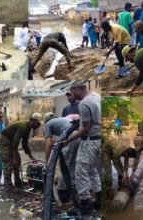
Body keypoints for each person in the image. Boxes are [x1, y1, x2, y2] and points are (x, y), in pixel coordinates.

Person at [60, 81, 101, 215]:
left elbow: (85, 129)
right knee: (92, 170)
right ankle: (99, 199)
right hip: (99, 140)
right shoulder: (96, 96)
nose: (72, 95)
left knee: (80, 171)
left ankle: (85, 204)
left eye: (72, 92)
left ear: (77, 90)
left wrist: (68, 140)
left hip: (89, 141)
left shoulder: (84, 103)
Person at [0, 113, 41, 190]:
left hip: (12, 142)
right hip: (4, 140)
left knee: (17, 162)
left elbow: (25, 143)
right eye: (38, 123)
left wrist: (30, 156)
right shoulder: (22, 127)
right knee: (8, 162)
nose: (38, 126)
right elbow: (15, 142)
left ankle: (18, 181)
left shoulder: (28, 128)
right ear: (33, 121)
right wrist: (14, 157)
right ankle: (8, 184)